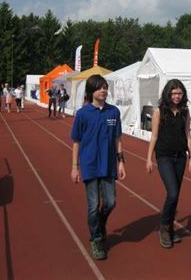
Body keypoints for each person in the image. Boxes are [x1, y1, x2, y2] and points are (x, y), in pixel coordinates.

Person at [71, 74, 126, 260]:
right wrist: (74, 167)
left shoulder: (114, 112)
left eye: (105, 87)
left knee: (110, 202)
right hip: (90, 165)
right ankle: (96, 240)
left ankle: (100, 224)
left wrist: (121, 162)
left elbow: (118, 138)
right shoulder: (82, 114)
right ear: (91, 91)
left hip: (109, 165)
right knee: (93, 205)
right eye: (99, 87)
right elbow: (76, 142)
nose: (103, 90)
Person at [146, 79, 191, 249]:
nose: (177, 96)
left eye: (180, 93)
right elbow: (154, 136)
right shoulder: (159, 112)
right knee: (172, 193)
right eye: (174, 93)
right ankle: (165, 227)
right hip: (164, 156)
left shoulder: (184, 111)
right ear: (167, 94)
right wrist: (149, 159)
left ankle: (169, 226)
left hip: (180, 157)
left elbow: (188, 135)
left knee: (175, 195)